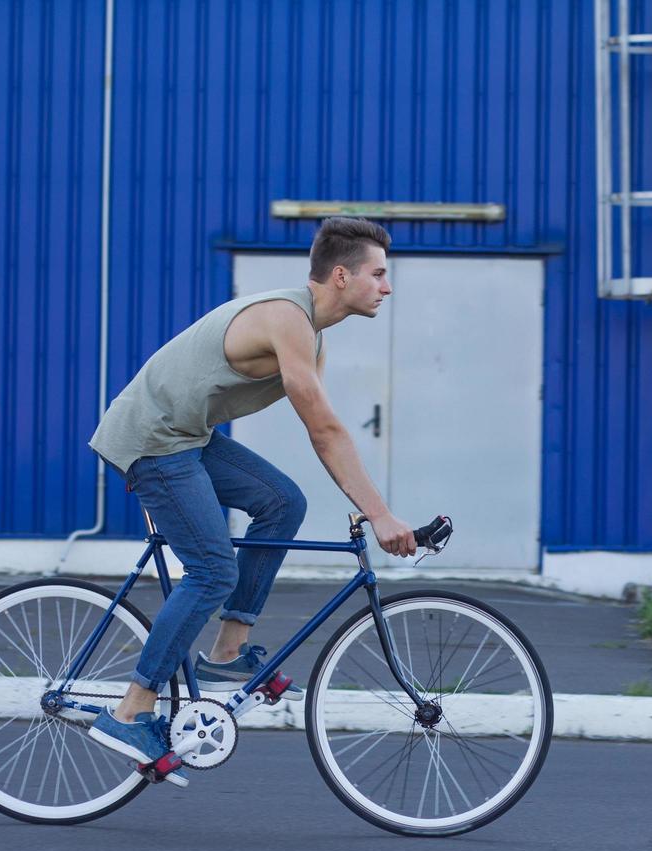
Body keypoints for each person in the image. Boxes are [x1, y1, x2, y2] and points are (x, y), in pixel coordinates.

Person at [85, 216, 416, 783]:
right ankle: (131, 710)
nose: (387, 287)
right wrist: (379, 514)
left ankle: (225, 654)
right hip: (153, 440)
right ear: (341, 276)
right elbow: (326, 431)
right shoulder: (286, 320)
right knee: (211, 571)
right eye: (379, 274)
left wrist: (372, 505)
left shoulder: (310, 338)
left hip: (187, 437)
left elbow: (323, 430)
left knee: (282, 502)